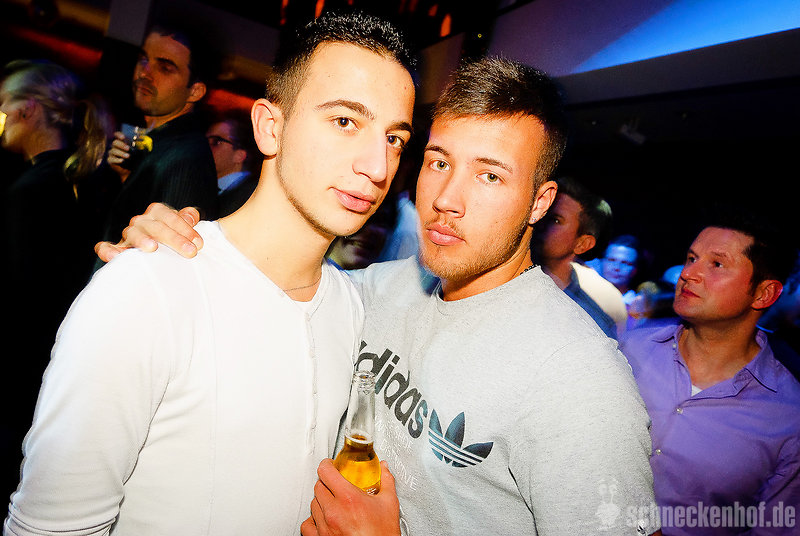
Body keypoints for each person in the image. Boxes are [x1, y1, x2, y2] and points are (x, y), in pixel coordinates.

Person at [100, 57, 661, 535]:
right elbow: (273, 285)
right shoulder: (379, 287)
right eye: (439, 162)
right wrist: (188, 244)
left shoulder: (579, 377)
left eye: (489, 176)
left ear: (539, 202)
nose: (447, 199)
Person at [5, 9, 416, 535]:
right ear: (270, 127)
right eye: (345, 122)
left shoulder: (356, 309)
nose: (377, 166)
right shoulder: (148, 288)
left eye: (394, 138)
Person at [619, 211, 800, 535]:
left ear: (764, 293)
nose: (688, 274)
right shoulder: (629, 350)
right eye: (691, 258)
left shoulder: (788, 416)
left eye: (716, 264)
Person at [0, 59, 113, 500]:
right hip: (59, 369)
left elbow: (20, 297)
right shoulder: (82, 179)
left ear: (27, 109)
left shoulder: (34, 189)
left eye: (4, 103)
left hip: (22, 371)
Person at [97, 18, 221, 253]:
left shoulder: (187, 157)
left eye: (165, 67)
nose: (145, 72)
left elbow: (170, 255)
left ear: (195, 91)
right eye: (143, 59)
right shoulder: (161, 142)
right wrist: (127, 176)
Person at [532, 175, 626, 338]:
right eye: (543, 212)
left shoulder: (591, 323)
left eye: (555, 220)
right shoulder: (500, 276)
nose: (540, 222)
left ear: (582, 244)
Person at [206, 108, 260, 216]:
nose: (204, 147)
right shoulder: (201, 188)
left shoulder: (252, 196)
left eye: (216, 142)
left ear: (239, 155)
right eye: (205, 141)